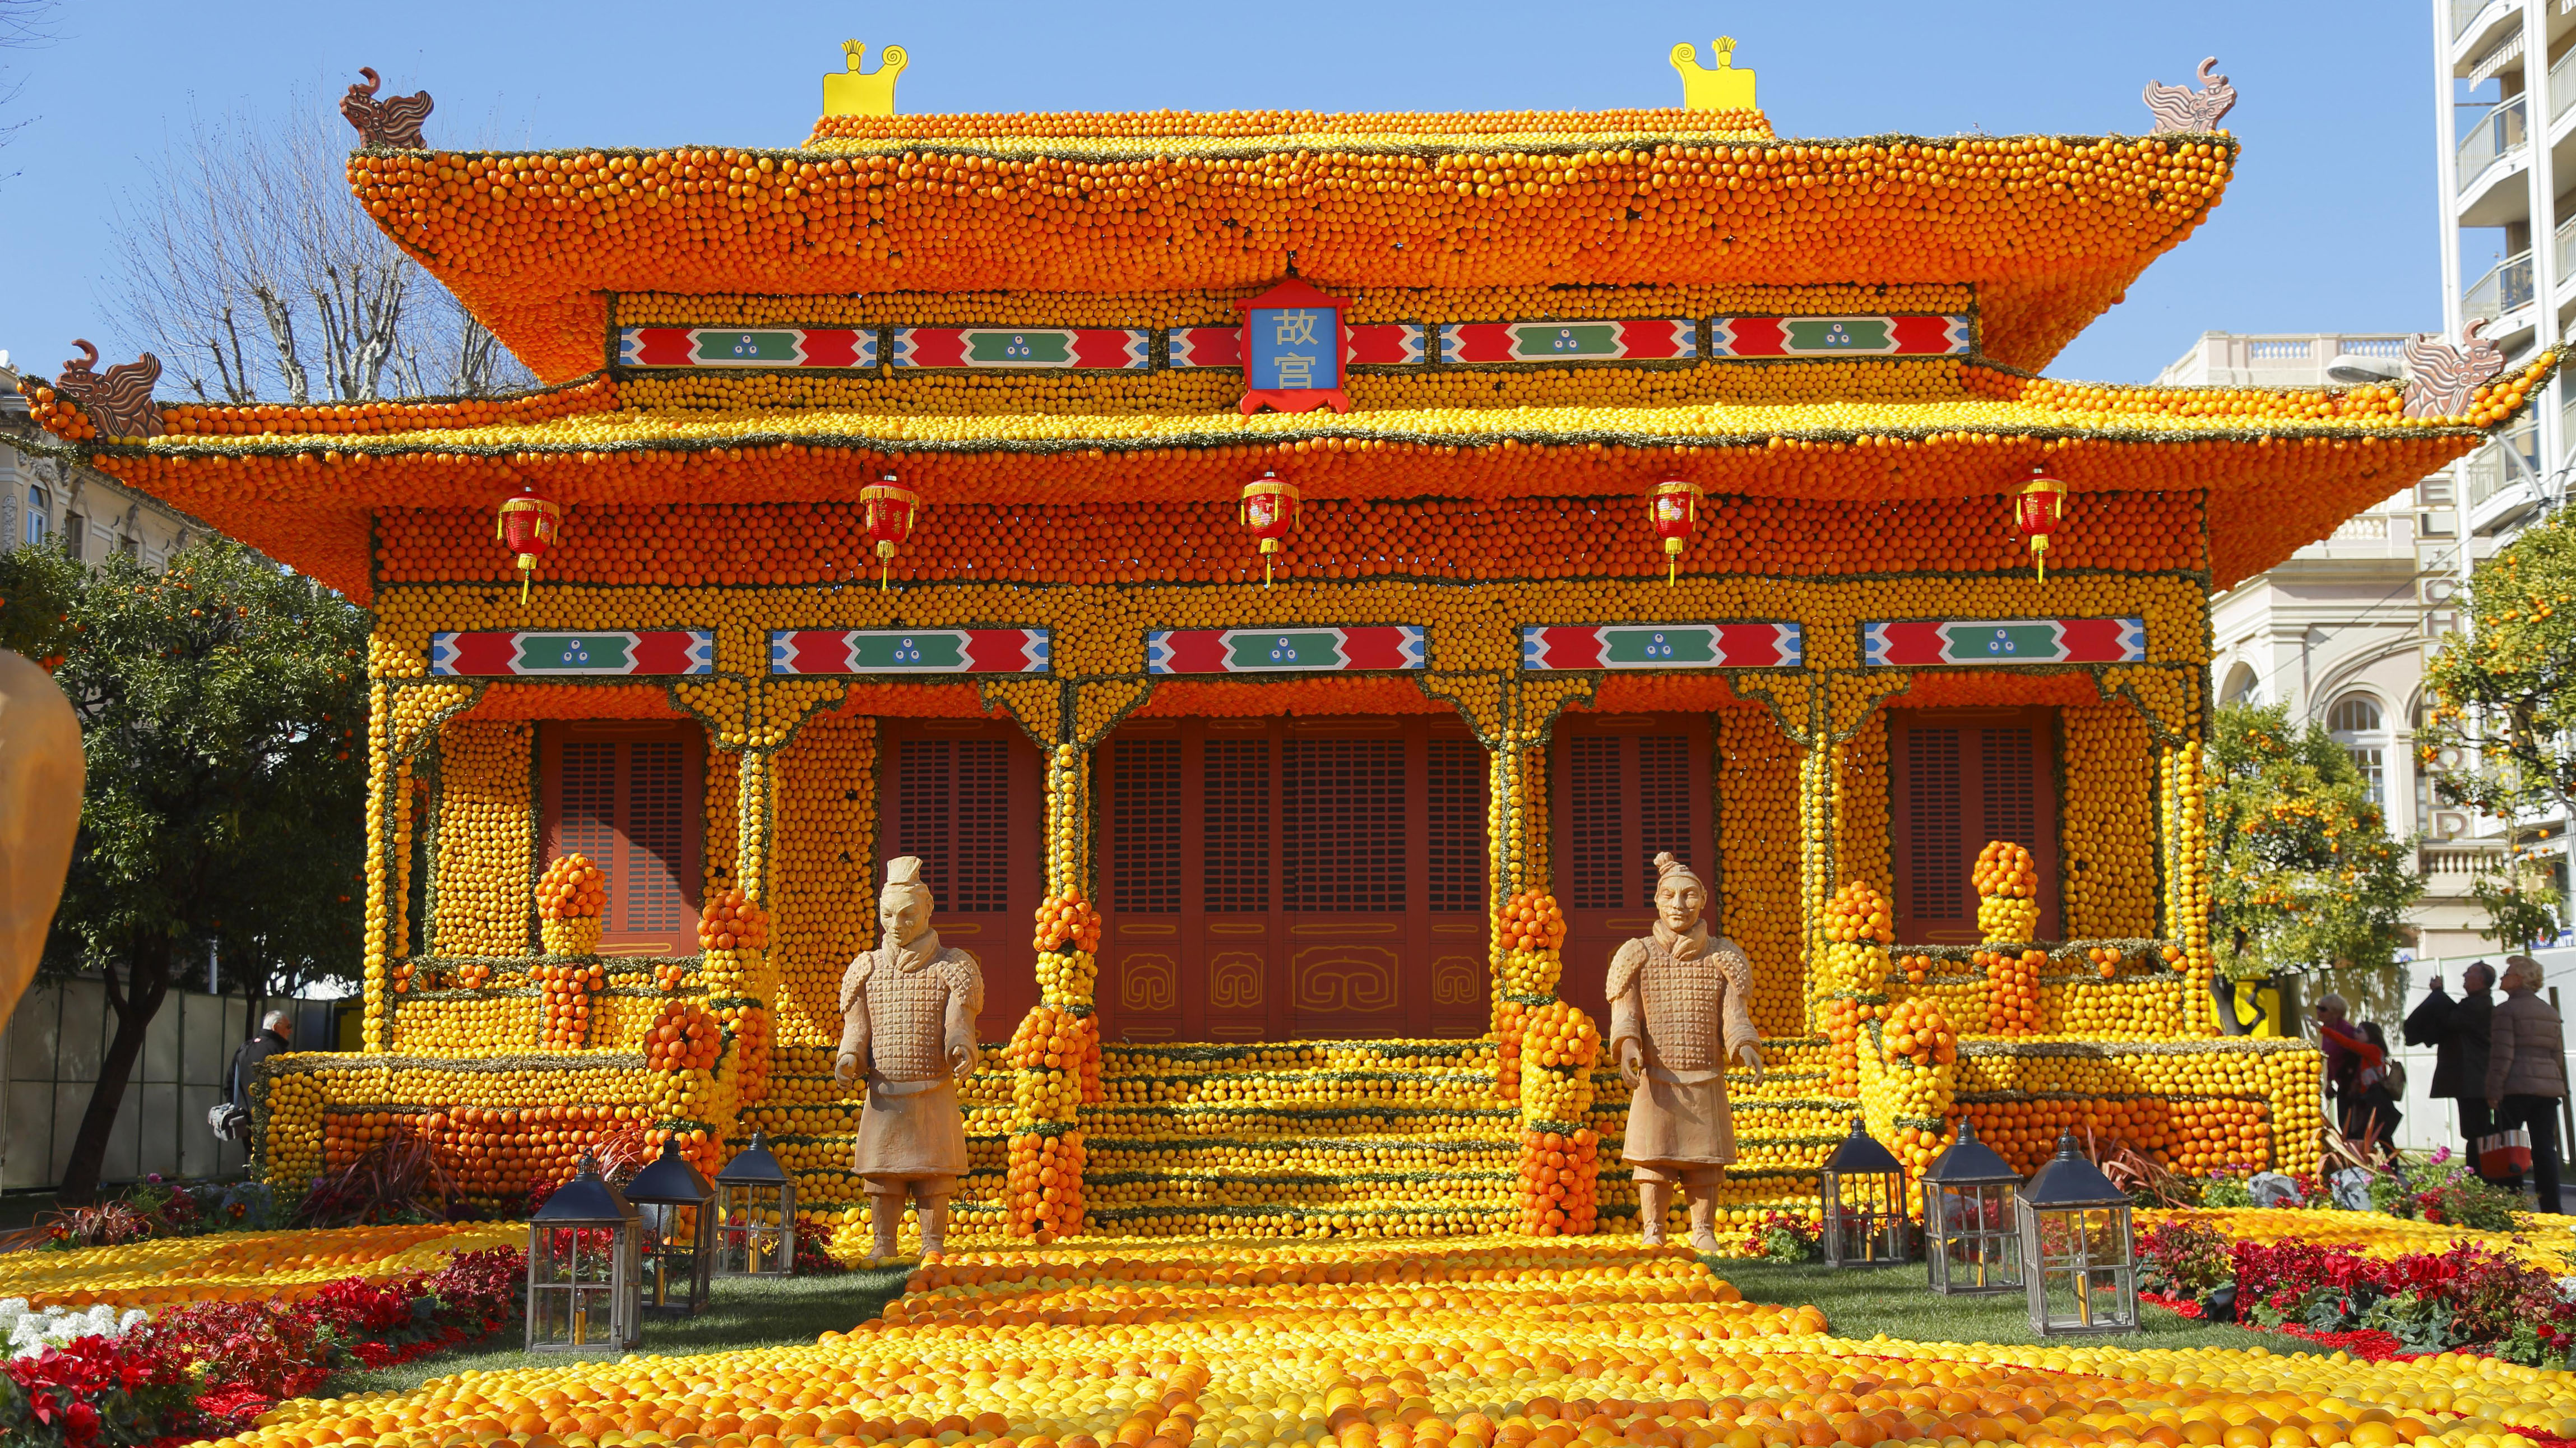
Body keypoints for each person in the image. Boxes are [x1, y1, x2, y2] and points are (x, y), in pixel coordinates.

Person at [1607, 850, 1763, 1252]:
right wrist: (1628, 1046)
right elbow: (1626, 1012)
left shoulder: (1725, 956)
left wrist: (1744, 1045)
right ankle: (1654, 1229)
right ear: (1657, 901)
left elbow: (1735, 1016)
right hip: (1656, 1077)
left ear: (1704, 900)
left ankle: (1703, 1230)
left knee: (1704, 1163)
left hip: (1705, 1075)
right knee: (1653, 1162)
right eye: (1670, 895)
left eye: (1689, 895)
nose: (1679, 904)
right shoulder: (1636, 953)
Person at [837, 855, 983, 1258]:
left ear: (927, 909)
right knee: (883, 1177)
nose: (897, 925)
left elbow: (958, 1023)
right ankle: (883, 1242)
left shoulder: (954, 967)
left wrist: (960, 1047)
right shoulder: (865, 969)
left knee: (934, 1177)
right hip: (884, 1095)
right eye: (888, 915)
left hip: (933, 1090)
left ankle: (932, 1243)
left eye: (907, 915)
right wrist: (849, 1056)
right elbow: (857, 1029)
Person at [2485, 955, 2568, 1210]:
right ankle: (2552, 1208)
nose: (2502, 977)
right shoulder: (2550, 1012)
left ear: (2519, 979)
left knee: (2509, 1147)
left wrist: (2493, 1090)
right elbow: (2558, 1056)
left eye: (2507, 973)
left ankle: (2513, 1205)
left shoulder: (2505, 1011)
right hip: (2547, 1089)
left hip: (2515, 1086)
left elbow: (2502, 1055)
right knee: (2545, 1149)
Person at [2404, 963, 2497, 1175]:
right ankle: (2479, 1174)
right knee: (2474, 1130)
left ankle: (2480, 1175)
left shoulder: (2479, 1006)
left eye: (2470, 972)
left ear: (2481, 980)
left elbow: (2451, 1020)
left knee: (2476, 1131)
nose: (2464, 974)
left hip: (2474, 1078)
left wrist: (2438, 994)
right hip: (2472, 1078)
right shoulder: (2475, 1004)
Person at [2316, 994, 2399, 1150]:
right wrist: (2329, 1081)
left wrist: (2323, 1030)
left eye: (2323, 1009)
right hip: (2361, 1092)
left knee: (2375, 1130)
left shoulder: (2369, 1047)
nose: (2356, 1034)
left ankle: (2372, 1158)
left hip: (2369, 1093)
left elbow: (2348, 1044)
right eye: (2318, 1008)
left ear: (2335, 1012)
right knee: (2365, 1129)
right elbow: (2331, 1059)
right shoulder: (2334, 1032)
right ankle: (2363, 1157)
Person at [211, 1009, 293, 1142]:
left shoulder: (244, 1048)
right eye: (288, 1027)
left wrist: (241, 1110)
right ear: (276, 1027)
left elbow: (229, 1084)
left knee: (252, 1154)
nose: (290, 1031)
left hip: (245, 1122)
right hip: (274, 1124)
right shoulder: (280, 1053)